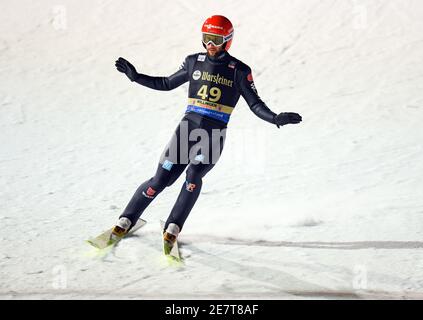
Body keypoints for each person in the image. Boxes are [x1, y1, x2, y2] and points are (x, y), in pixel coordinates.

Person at [112, 15, 302, 253]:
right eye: (206, 39)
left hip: (213, 136)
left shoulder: (239, 70)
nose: (210, 45)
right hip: (186, 130)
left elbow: (255, 104)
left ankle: (173, 225)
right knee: (160, 180)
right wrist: (136, 76)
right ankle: (127, 218)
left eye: (216, 39)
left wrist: (274, 118)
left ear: (228, 41)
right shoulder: (193, 61)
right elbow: (166, 83)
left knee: (193, 176)